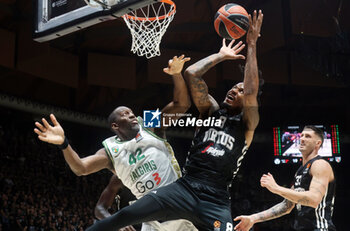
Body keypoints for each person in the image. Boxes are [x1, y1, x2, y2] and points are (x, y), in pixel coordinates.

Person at [83, 10, 264, 231]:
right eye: (234, 87)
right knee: (124, 216)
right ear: (115, 127)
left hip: (215, 198)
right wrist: (220, 56)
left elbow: (249, 92)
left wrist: (252, 43)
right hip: (185, 188)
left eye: (240, 90)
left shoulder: (247, 124)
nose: (234, 91)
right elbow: (192, 74)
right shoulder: (210, 110)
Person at [34, 55, 197, 231]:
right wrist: (64, 143)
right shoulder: (109, 150)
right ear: (115, 125)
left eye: (132, 112)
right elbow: (80, 168)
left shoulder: (148, 123)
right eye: (125, 114)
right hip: (153, 219)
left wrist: (177, 74)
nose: (132, 115)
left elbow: (181, 104)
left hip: (179, 206)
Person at [234, 125, 336, 231]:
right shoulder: (300, 172)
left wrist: (276, 188)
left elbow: (313, 200)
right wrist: (253, 218)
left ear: (318, 143)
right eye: (301, 135)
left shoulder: (320, 165)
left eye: (308, 136)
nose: (302, 139)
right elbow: (286, 206)